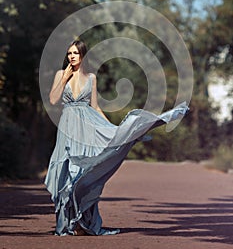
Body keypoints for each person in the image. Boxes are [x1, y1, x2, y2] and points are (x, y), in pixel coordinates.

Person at [45, 39, 188, 236]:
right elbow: (53, 100)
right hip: (68, 128)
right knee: (66, 172)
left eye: (75, 53)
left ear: (83, 55)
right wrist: (64, 78)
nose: (71, 56)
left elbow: (95, 107)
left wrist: (114, 130)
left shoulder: (91, 78)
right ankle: (66, 222)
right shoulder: (61, 74)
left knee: (82, 172)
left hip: (87, 128)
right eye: (69, 53)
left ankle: (81, 221)